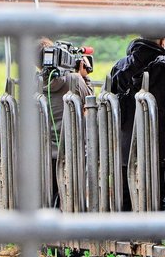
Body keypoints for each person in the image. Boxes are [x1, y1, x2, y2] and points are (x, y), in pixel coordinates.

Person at [109, 35, 165, 211]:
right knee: (155, 198)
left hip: (124, 148)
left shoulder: (119, 66)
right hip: (158, 148)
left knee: (126, 198)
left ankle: (127, 234)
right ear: (162, 41)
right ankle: (152, 235)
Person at [38, 37, 93, 207]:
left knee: (46, 199)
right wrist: (84, 77)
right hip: (70, 152)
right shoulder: (74, 80)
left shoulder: (34, 81)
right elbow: (89, 103)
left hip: (43, 153)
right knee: (70, 199)